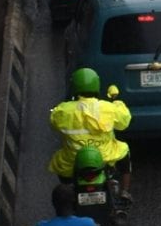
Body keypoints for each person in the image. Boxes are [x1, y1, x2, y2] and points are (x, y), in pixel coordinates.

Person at [48, 67, 132, 197]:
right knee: (124, 150)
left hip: (73, 160)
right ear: (96, 85)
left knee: (59, 161)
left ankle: (68, 191)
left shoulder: (63, 111)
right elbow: (124, 123)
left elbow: (53, 123)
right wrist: (117, 102)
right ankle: (125, 192)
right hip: (105, 157)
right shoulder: (107, 108)